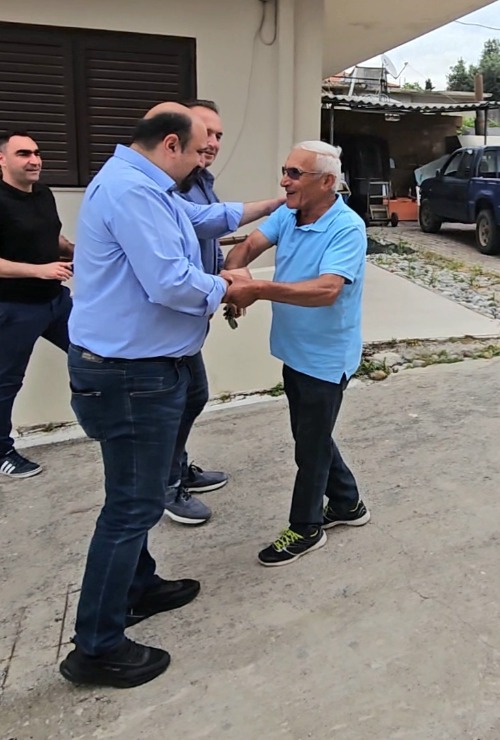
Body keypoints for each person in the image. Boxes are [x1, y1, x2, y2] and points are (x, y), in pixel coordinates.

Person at [59, 102, 284, 689]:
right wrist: (233, 285)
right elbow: (168, 282)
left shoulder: (147, 186)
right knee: (131, 506)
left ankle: (137, 587)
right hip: (131, 376)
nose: (207, 155)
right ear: (170, 145)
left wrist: (271, 206)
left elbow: (199, 220)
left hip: (144, 369)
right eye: (201, 144)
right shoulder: (133, 192)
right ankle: (97, 647)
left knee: (133, 495)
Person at [223, 141, 371, 567]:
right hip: (294, 350)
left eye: (294, 174)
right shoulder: (289, 214)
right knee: (312, 436)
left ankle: (306, 528)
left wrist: (257, 289)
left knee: (310, 447)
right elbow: (246, 247)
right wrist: (236, 275)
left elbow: (327, 290)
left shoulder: (347, 228)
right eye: (284, 170)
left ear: (327, 182)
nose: (284, 181)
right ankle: (347, 503)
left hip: (326, 357)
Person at [163, 99, 227, 526]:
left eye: (219, 135)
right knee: (179, 400)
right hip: (170, 316)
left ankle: (176, 469)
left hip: (194, 311)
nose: (213, 142)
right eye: (206, 132)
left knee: (193, 396)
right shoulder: (168, 187)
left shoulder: (200, 180)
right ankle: (167, 486)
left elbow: (211, 230)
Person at [0, 131, 74, 479]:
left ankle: (110, 422)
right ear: (2, 160)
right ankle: (2, 451)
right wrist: (39, 270)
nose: (34, 160)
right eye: (24, 154)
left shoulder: (43, 194)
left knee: (96, 351)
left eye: (37, 153)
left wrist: (74, 250)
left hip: (55, 301)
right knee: (6, 382)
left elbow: (51, 234)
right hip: (13, 308)